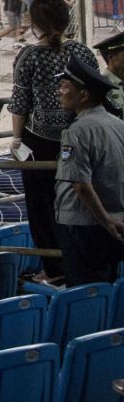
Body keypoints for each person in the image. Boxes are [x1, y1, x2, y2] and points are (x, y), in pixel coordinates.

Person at [9, 0, 96, 283]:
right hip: (81, 136)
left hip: (40, 144)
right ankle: (84, 261)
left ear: (35, 22)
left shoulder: (30, 55)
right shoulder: (83, 52)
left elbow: (21, 103)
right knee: (82, 200)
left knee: (43, 206)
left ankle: (55, 269)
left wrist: (16, 141)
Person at [55, 56, 124, 285]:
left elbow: (80, 185)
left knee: (85, 291)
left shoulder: (76, 132)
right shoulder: (118, 125)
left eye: (65, 86)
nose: (59, 91)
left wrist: (105, 221)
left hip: (83, 226)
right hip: (116, 223)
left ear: (83, 96)